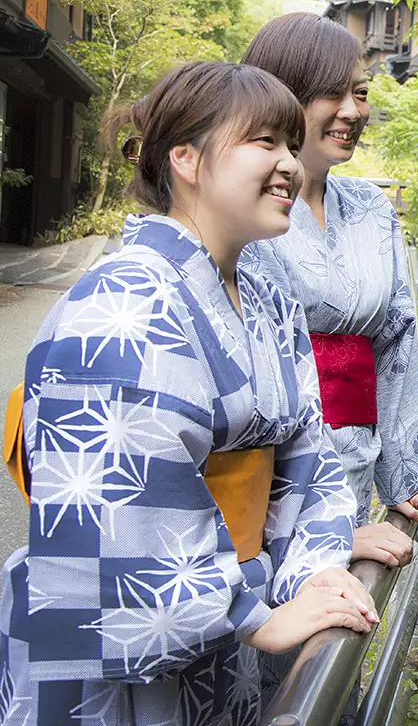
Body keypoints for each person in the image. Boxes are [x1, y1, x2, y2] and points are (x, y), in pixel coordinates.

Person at [0, 61, 378, 725]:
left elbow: (309, 458)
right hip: (150, 636)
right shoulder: (121, 301)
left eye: (292, 144)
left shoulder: (267, 292)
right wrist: (252, 615)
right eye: (265, 142)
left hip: (235, 612)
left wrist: (314, 569)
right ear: (186, 158)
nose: (290, 162)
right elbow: (121, 503)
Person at [241, 14, 418, 567]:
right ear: (280, 95)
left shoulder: (370, 207)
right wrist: (316, 533)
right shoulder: (241, 211)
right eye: (332, 93)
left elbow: (398, 340)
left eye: (360, 93)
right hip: (272, 486)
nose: (353, 111)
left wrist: (402, 476)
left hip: (354, 462)